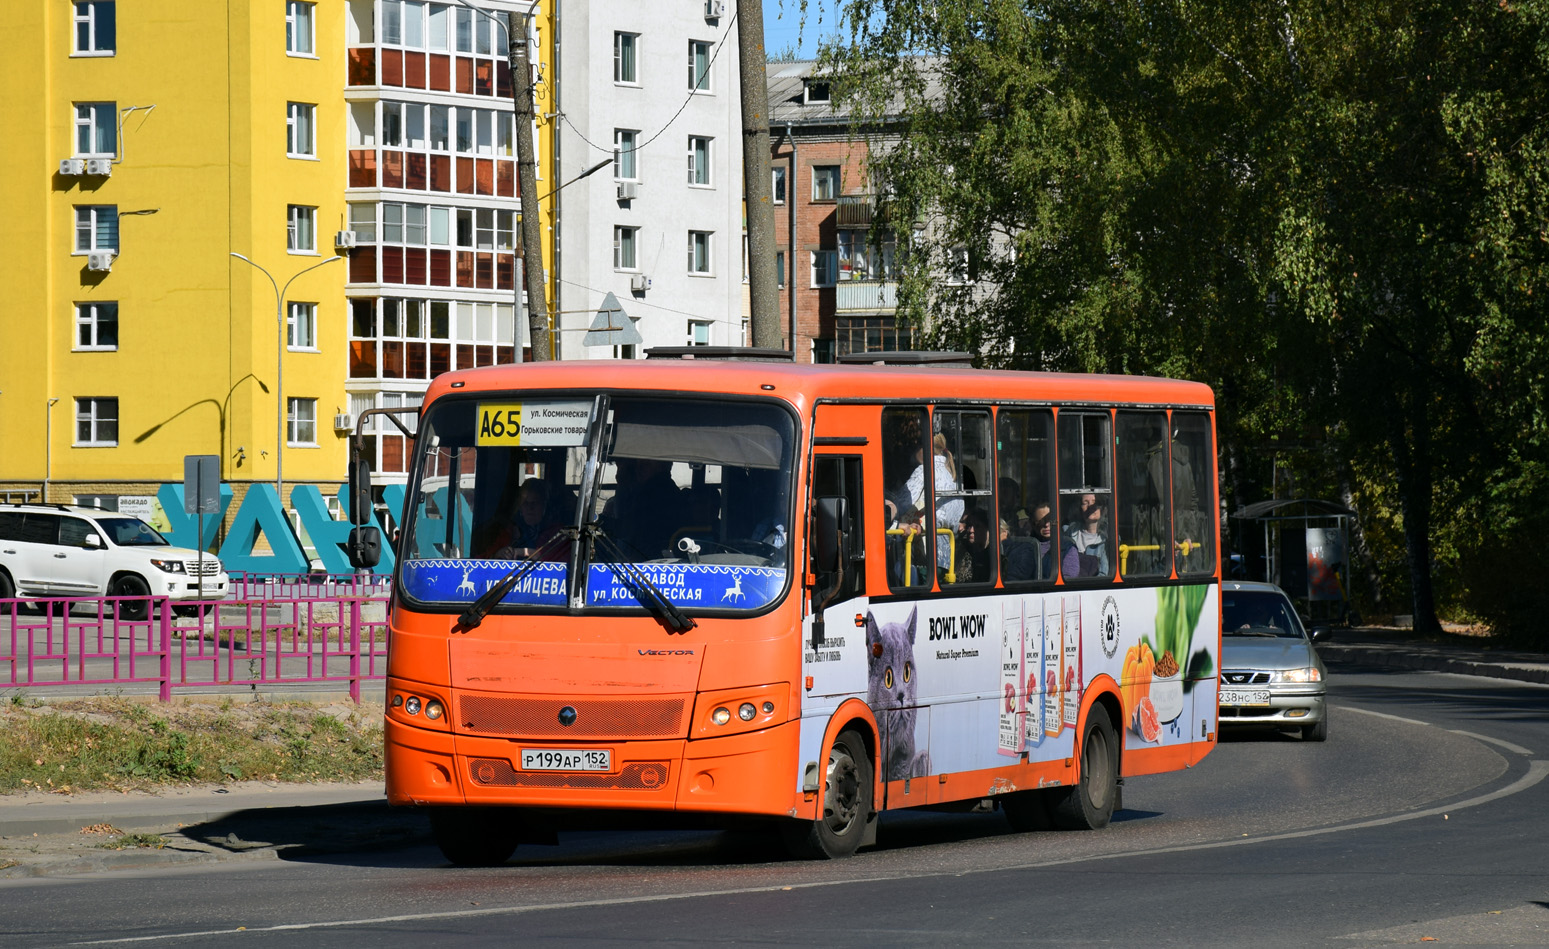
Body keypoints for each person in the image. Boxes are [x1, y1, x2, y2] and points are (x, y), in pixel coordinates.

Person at [493, 478, 564, 559]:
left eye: (535, 502)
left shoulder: (557, 532)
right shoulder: (509, 530)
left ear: (544, 505)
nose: (530, 508)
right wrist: (499, 554)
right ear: (519, 507)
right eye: (525, 503)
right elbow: (485, 558)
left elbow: (552, 556)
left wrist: (521, 551)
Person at [1061, 493, 1110, 579]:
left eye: (1094, 502)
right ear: (1080, 508)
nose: (1090, 506)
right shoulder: (1068, 532)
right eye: (1085, 503)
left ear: (1101, 509)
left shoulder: (1108, 537)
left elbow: (1104, 575)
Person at [999, 517, 1038, 582]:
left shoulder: (1023, 549)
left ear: (1004, 532)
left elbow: (1019, 575)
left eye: (991, 532)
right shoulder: (983, 553)